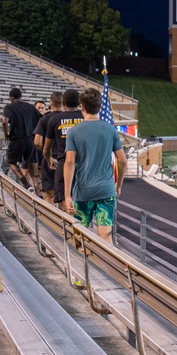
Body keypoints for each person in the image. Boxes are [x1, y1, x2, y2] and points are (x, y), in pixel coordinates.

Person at [63, 87, 126, 241]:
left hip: (83, 191)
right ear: (99, 107)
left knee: (80, 234)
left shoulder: (73, 132)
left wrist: (67, 195)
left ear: (82, 107)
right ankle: (108, 265)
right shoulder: (110, 130)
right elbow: (123, 160)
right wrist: (118, 185)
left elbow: (70, 162)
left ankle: (84, 264)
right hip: (106, 190)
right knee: (105, 234)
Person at [43, 89, 84, 207]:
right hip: (83, 163)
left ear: (64, 103)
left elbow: (46, 148)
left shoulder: (54, 119)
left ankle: (70, 223)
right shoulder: (84, 118)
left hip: (63, 162)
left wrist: (49, 159)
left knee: (64, 200)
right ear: (79, 103)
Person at [2, 87, 42, 193]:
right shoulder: (30, 107)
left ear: (11, 97)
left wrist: (6, 134)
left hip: (17, 139)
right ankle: (39, 196)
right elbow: (41, 120)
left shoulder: (9, 107)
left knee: (10, 161)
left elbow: (5, 121)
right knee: (34, 172)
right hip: (30, 140)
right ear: (20, 97)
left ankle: (25, 183)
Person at [33, 92, 61, 205]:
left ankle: (51, 221)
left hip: (50, 159)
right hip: (68, 159)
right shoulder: (68, 118)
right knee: (67, 194)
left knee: (49, 194)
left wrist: (47, 155)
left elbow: (37, 142)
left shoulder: (45, 119)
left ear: (50, 104)